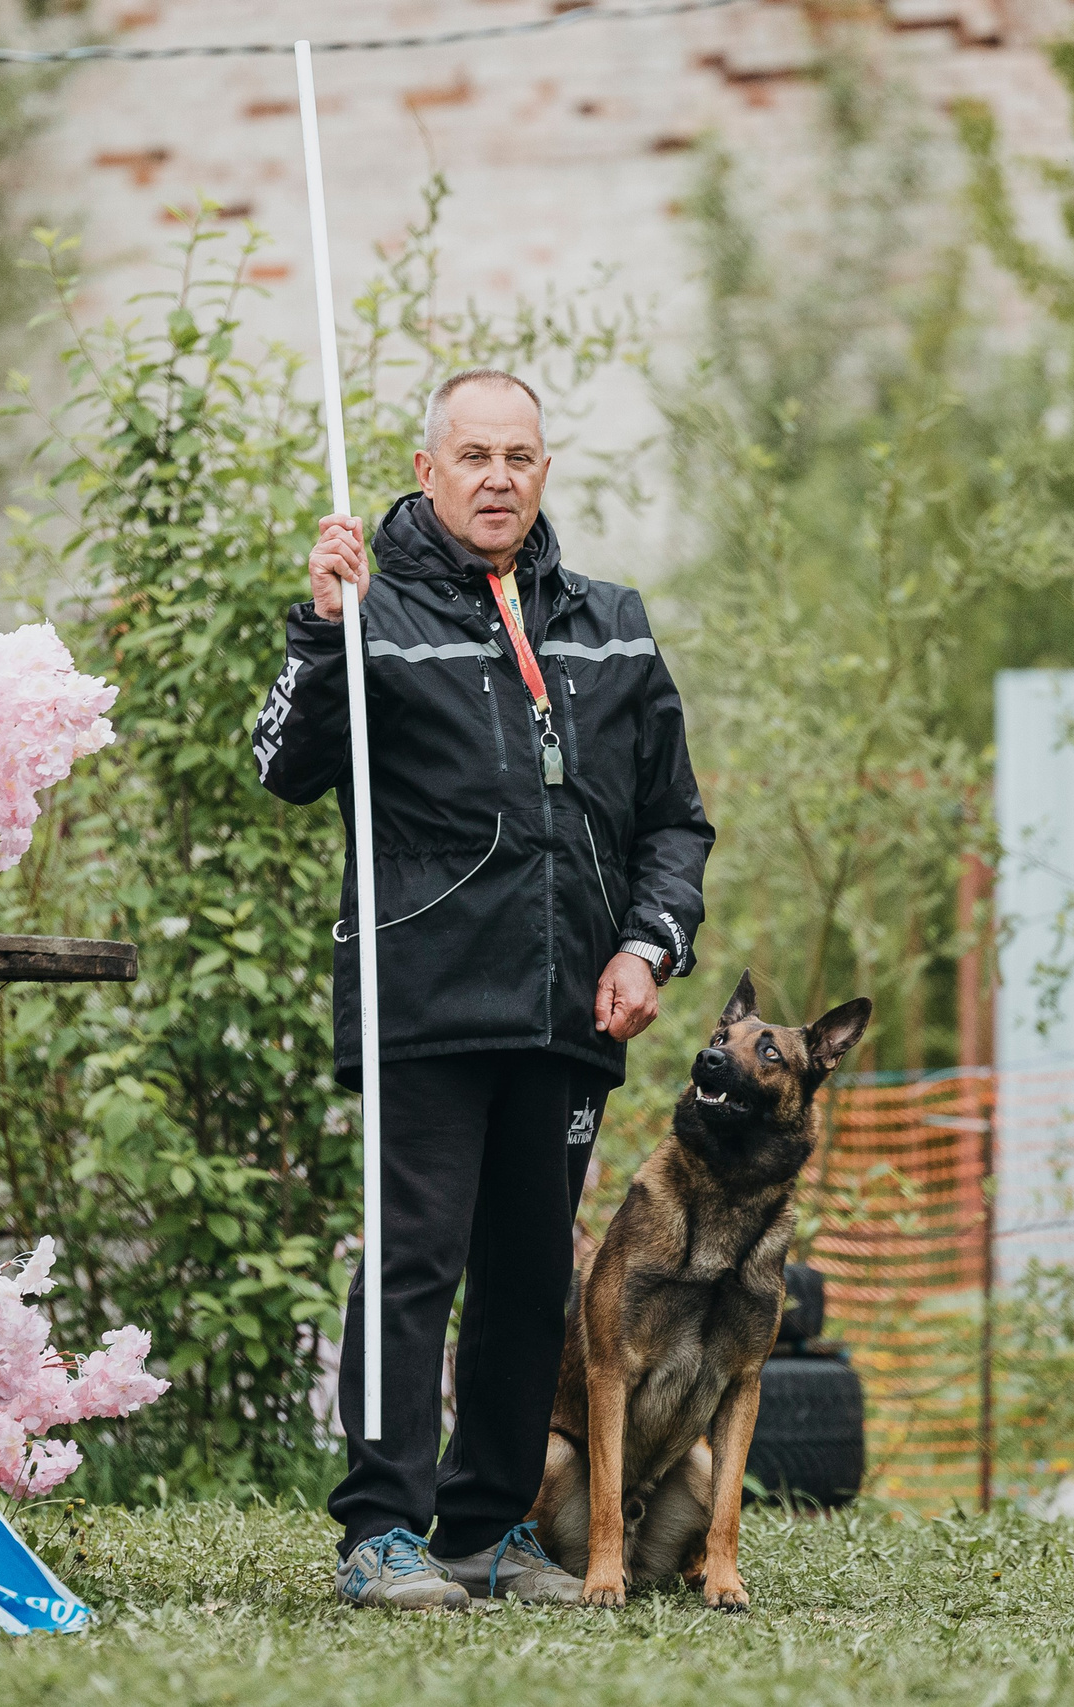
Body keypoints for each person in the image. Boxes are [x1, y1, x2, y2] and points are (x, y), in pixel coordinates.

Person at [254, 368, 714, 1610]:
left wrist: (647, 947)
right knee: (412, 1262)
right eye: (473, 456)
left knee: (528, 1274)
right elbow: (283, 766)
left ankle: (484, 1529)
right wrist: (319, 625)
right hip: (423, 1001)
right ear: (427, 471)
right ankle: (379, 1535)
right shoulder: (372, 614)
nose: (498, 476)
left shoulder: (611, 621)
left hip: (570, 1011)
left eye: (519, 455)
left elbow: (674, 821)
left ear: (545, 471)